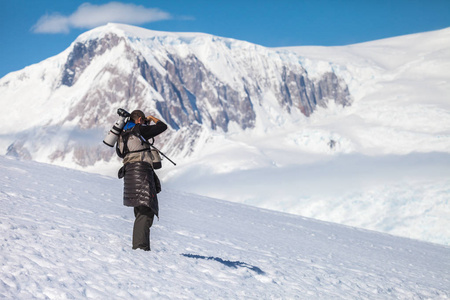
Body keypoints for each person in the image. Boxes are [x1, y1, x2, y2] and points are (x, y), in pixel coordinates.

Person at [117, 109, 168, 251]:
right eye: (144, 119)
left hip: (129, 174)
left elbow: (120, 153)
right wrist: (152, 118)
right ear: (139, 119)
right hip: (142, 172)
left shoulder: (122, 134)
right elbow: (162, 126)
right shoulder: (139, 130)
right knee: (146, 209)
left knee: (140, 209)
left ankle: (141, 246)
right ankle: (140, 248)